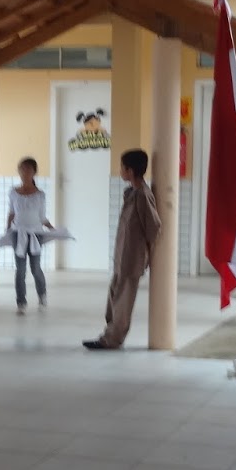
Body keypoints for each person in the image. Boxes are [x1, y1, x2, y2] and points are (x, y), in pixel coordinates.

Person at [83, 149, 160, 351]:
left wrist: (146, 254)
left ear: (130, 171)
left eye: (122, 167)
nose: (120, 171)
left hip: (132, 258)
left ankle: (112, 339)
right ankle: (109, 333)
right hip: (122, 257)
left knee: (123, 302)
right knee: (114, 296)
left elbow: (153, 226)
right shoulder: (131, 193)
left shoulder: (143, 195)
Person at [6, 156, 53, 314]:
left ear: (34, 172)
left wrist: (53, 229)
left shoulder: (40, 195)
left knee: (35, 268)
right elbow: (11, 213)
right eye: (22, 170)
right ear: (19, 172)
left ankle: (42, 295)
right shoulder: (13, 192)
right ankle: (21, 302)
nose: (25, 173)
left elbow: (42, 217)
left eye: (28, 170)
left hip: (35, 235)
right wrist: (7, 230)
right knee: (20, 269)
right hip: (18, 234)